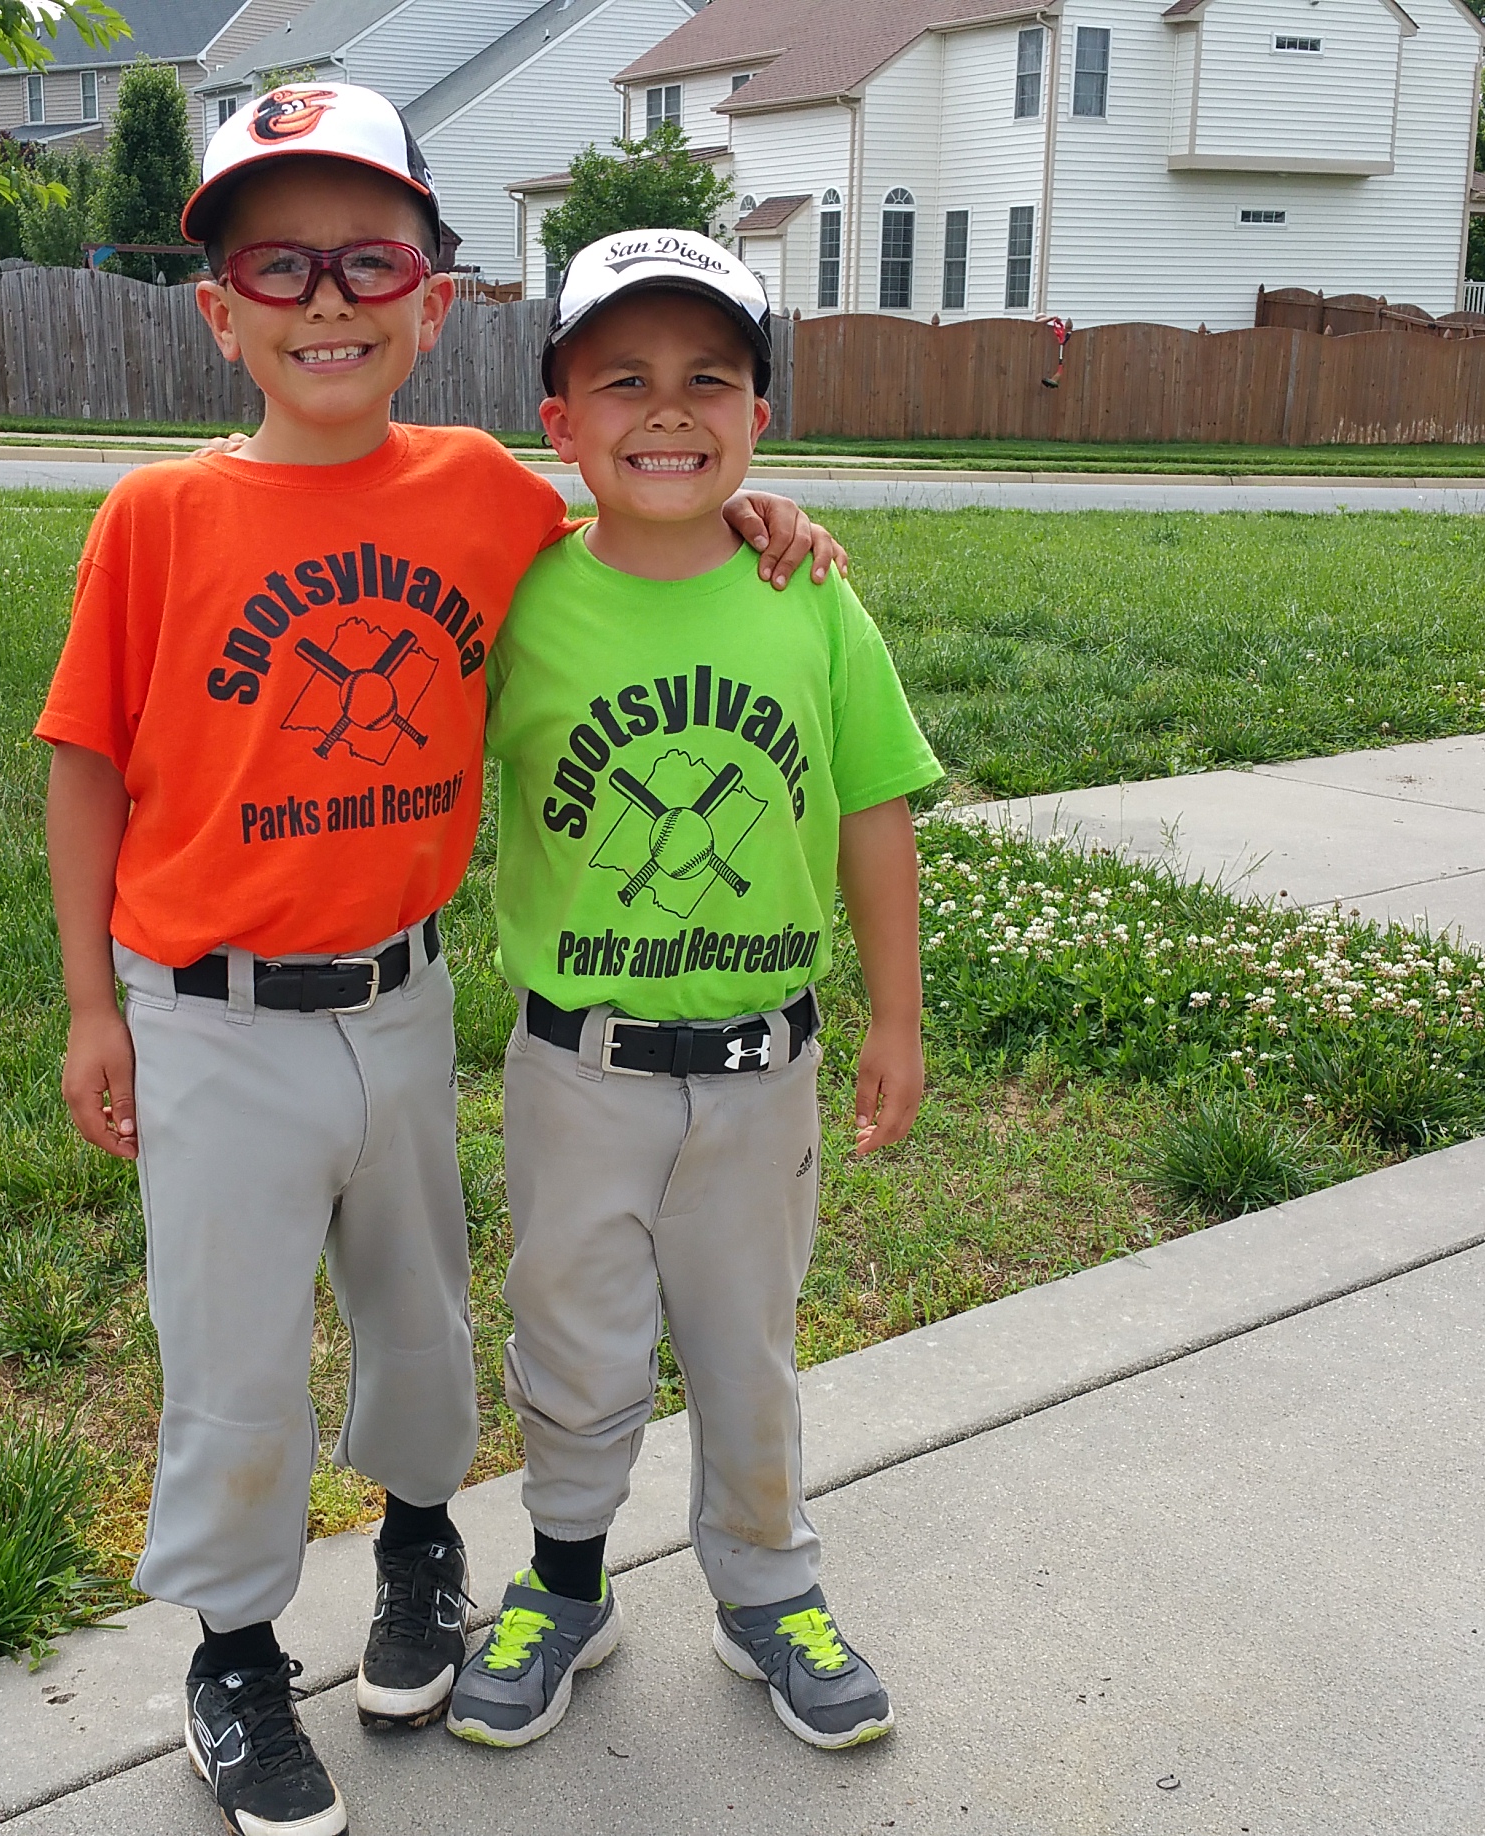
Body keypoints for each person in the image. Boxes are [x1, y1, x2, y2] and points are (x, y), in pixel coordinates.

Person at [36, 90, 840, 1836]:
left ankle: (422, 1556)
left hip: (401, 998)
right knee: (234, 1351)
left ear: (433, 297)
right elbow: (86, 758)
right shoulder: (155, 518)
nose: (327, 300)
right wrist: (93, 1003)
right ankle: (236, 1661)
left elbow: (650, 525)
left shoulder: (481, 493)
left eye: (369, 260)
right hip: (209, 1012)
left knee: (419, 1322)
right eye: (280, 263)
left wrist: (767, 519)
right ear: (221, 307)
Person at [444, 229, 939, 1756]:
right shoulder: (519, 601)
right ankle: (568, 1585)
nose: (668, 411)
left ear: (760, 425)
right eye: (625, 382)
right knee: (576, 1339)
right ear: (561, 422)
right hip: (575, 1065)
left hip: (759, 1066)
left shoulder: (809, 595)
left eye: (708, 380)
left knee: (746, 1345)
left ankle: (768, 1591)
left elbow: (871, 806)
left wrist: (897, 1015)